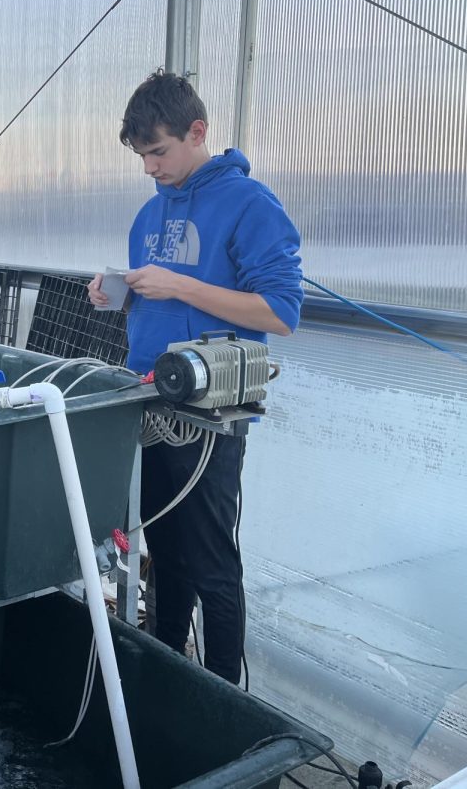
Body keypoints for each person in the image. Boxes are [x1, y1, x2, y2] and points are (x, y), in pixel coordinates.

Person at [89, 70, 303, 684]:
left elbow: (281, 313)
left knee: (211, 563)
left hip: (209, 416)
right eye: (142, 155)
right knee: (164, 553)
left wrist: (179, 283)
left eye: (158, 151)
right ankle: (167, 671)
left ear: (197, 132)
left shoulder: (249, 204)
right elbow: (161, 303)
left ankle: (224, 695)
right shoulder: (149, 216)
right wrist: (119, 295)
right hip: (149, 399)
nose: (150, 167)